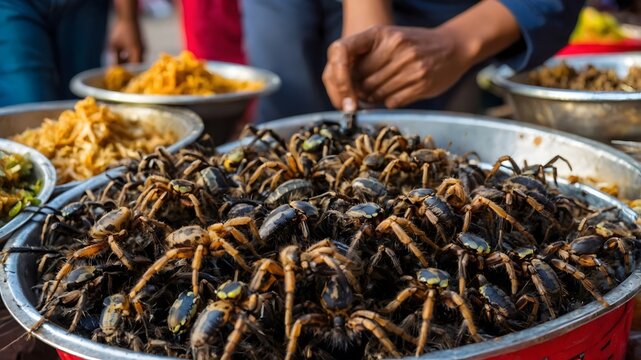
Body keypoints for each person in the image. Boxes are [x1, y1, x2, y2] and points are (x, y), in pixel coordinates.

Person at [241, 0, 583, 122]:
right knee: (286, 134)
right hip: (284, 13)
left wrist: (459, 42)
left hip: (439, 20)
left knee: (421, 150)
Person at [0, 0, 144, 107]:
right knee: (26, 107)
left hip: (85, 6)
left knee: (82, 107)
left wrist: (127, 18)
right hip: (14, 5)